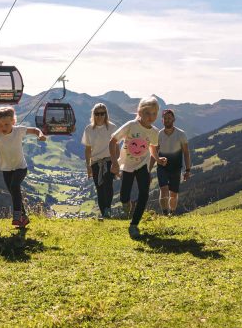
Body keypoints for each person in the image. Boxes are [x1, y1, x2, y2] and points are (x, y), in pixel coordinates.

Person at [0, 106, 46, 228]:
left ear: (13, 121)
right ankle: (24, 219)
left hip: (20, 167)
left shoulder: (18, 130)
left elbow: (34, 130)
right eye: (0, 125)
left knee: (14, 186)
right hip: (6, 169)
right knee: (14, 193)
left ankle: (17, 216)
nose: (3, 128)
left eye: (6, 124)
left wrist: (40, 135)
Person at [110, 97, 165, 238]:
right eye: (147, 113)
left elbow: (152, 147)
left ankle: (134, 225)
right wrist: (115, 162)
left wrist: (157, 159)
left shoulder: (154, 132)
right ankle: (126, 204)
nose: (151, 117)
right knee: (124, 195)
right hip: (127, 165)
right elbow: (113, 140)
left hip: (142, 165)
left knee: (144, 194)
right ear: (139, 111)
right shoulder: (131, 125)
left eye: (154, 114)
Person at [149, 109, 191, 216]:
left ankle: (171, 213)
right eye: (165, 118)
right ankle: (165, 213)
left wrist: (188, 170)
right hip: (162, 167)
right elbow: (154, 153)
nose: (167, 120)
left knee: (173, 194)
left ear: (173, 119)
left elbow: (186, 153)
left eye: (169, 118)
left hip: (176, 168)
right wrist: (148, 170)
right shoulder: (158, 135)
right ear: (162, 120)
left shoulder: (181, 134)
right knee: (163, 189)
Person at [82, 103, 118, 219]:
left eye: (102, 113)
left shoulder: (112, 128)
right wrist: (88, 165)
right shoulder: (89, 129)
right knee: (99, 188)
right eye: (97, 114)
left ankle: (107, 209)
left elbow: (117, 147)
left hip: (109, 160)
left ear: (106, 114)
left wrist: (116, 162)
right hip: (96, 162)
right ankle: (104, 213)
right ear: (94, 115)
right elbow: (88, 149)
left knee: (108, 184)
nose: (100, 116)